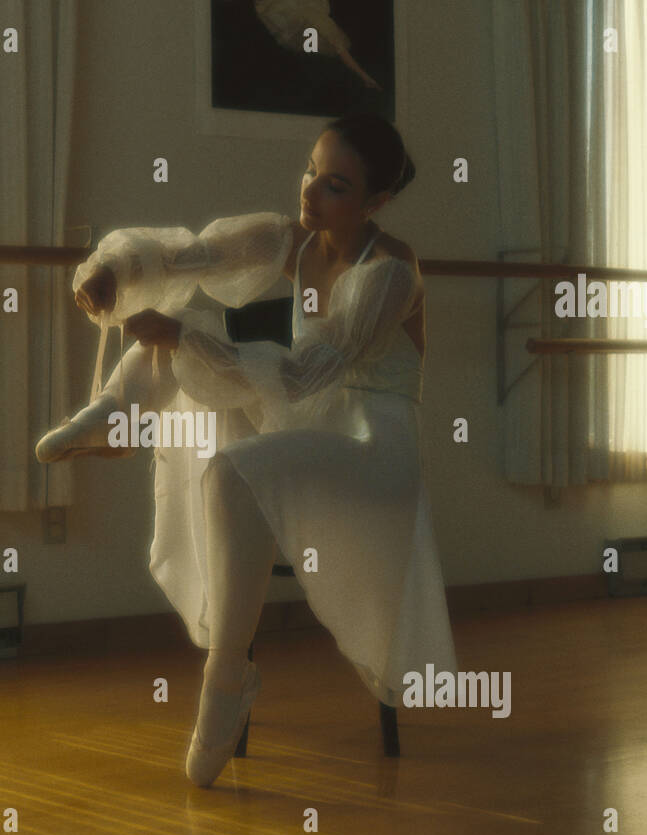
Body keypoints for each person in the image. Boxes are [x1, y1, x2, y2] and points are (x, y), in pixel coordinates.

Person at [37, 113, 458, 788]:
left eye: (337, 186)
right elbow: (186, 257)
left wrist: (184, 337)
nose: (312, 192)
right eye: (311, 172)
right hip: (305, 424)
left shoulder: (389, 272)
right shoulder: (289, 241)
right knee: (191, 350)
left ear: (376, 202)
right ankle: (115, 413)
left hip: (371, 447)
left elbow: (303, 373)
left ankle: (226, 680)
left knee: (223, 433)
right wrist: (113, 273)